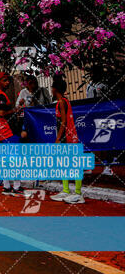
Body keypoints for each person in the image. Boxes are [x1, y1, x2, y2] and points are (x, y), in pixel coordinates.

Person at [49, 75, 85, 204]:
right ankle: (66, 190)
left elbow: (63, 122)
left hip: (67, 137)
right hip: (67, 137)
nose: (51, 90)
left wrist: (58, 139)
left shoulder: (62, 102)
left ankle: (78, 194)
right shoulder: (63, 101)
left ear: (55, 89)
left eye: (52, 88)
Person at [0, 72, 24, 196]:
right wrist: (16, 109)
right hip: (7, 131)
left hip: (2, 131)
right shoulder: (0, 95)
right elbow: (1, 113)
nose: (7, 83)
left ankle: (6, 186)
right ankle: (16, 187)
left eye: (8, 81)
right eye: (5, 80)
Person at [16, 74, 51, 141]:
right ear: (27, 85)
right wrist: (21, 104)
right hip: (29, 121)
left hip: (42, 120)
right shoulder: (23, 92)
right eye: (30, 83)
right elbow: (17, 107)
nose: (33, 85)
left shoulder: (43, 91)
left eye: (34, 82)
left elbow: (49, 104)